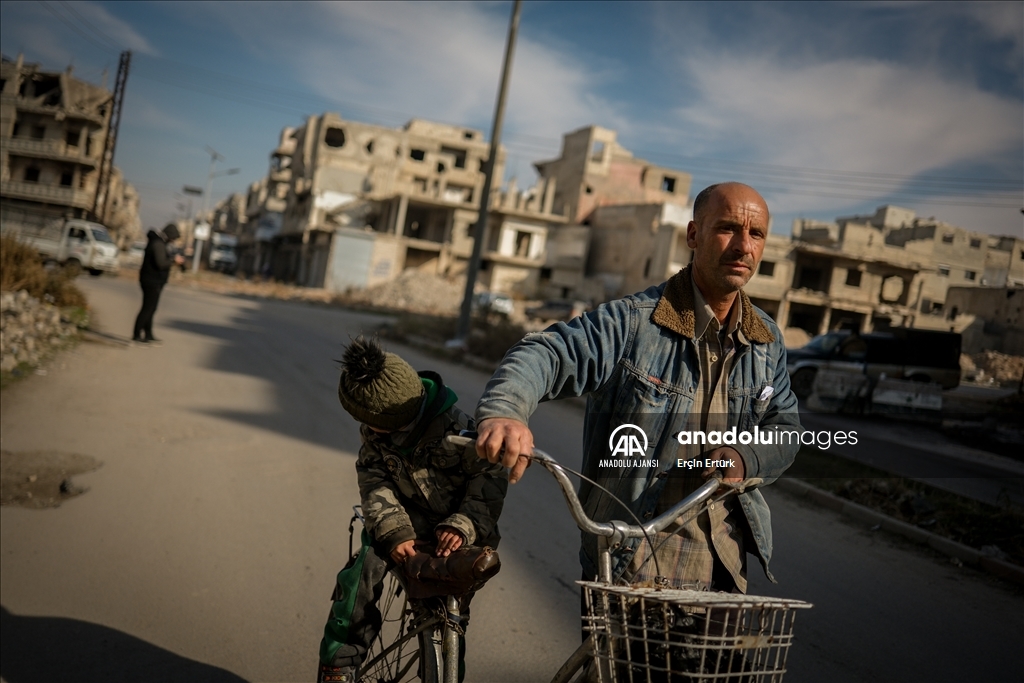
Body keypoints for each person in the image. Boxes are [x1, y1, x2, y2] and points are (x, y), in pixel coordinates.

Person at [474, 182, 802, 593]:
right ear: (693, 235)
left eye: (756, 234)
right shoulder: (633, 324)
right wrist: (506, 412)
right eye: (727, 228)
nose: (743, 246)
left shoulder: (766, 341)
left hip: (724, 571)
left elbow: (786, 428)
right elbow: (547, 353)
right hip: (630, 568)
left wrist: (746, 456)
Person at [318, 337, 508, 683]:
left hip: (460, 532)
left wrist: (463, 524)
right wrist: (394, 531)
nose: (369, 430)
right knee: (360, 576)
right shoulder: (375, 434)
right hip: (401, 522)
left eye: (374, 425)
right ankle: (339, 662)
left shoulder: (457, 428)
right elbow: (373, 479)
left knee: (452, 618)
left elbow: (490, 476)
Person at [132, 223, 184, 345]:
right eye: (173, 238)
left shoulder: (159, 243)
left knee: (152, 308)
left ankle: (148, 334)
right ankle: (136, 334)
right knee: (148, 308)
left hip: (154, 280)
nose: (173, 241)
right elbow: (161, 263)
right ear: (169, 235)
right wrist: (173, 261)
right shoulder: (158, 244)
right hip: (151, 281)